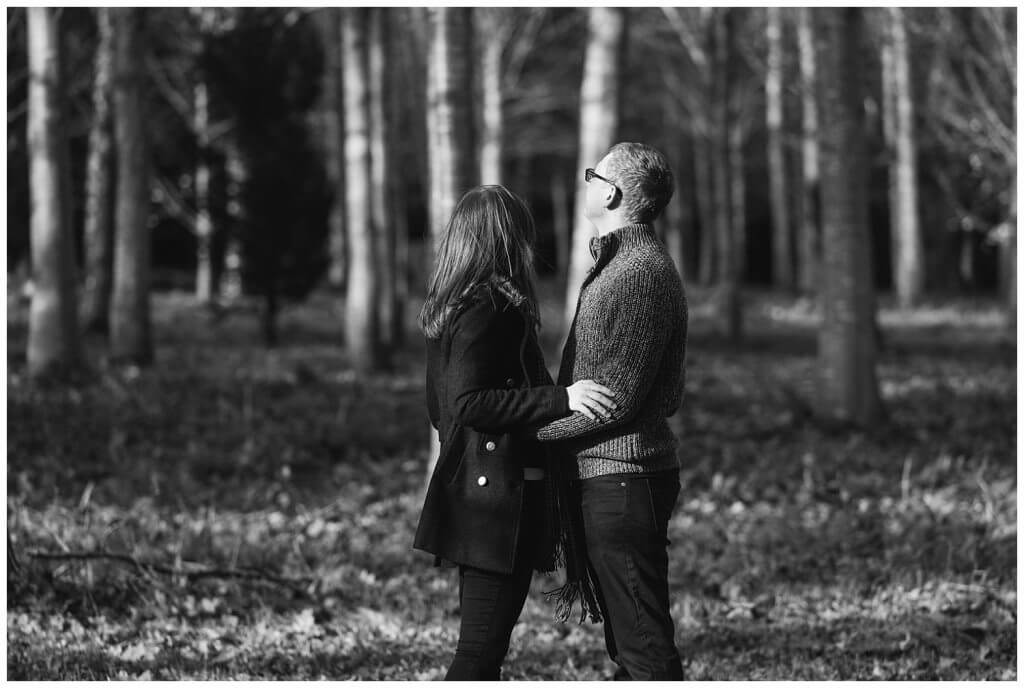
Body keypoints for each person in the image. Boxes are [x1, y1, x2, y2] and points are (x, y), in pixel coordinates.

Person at [413, 185, 612, 681]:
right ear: (507, 240)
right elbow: (466, 404)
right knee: (479, 655)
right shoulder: (489, 308)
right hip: (496, 506)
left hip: (479, 498)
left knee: (482, 651)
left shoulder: (454, 306)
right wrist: (561, 399)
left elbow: (440, 410)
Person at [535, 143, 688, 680]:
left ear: (612, 193)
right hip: (609, 476)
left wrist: (533, 431)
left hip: (624, 478)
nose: (585, 182)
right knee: (629, 644)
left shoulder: (640, 273)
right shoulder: (619, 265)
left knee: (644, 647)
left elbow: (618, 397)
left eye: (591, 174)